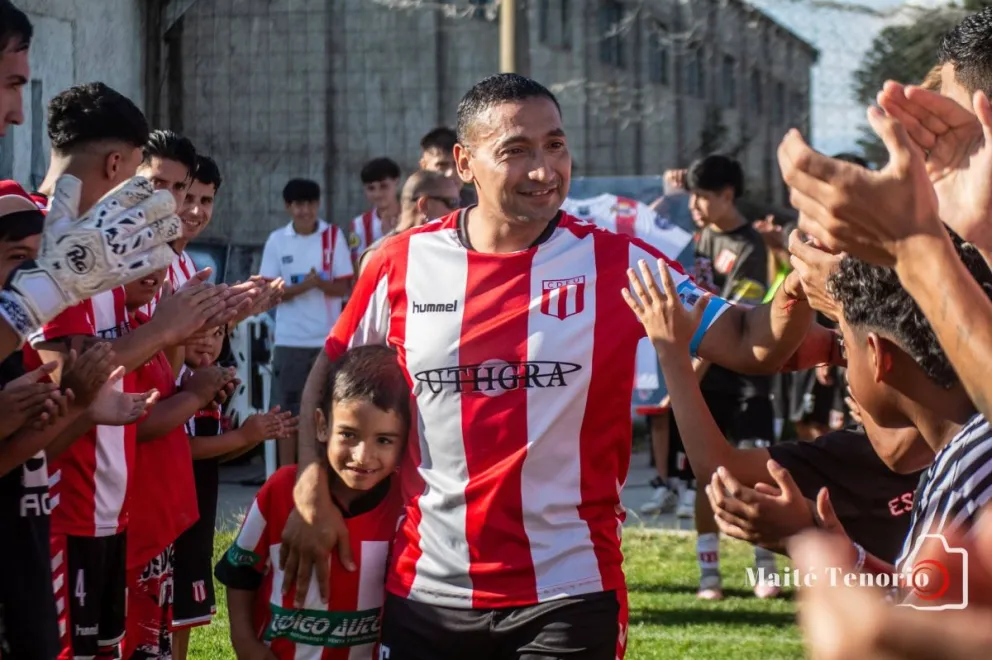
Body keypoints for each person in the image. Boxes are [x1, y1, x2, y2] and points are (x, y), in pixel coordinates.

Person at [283, 74, 837, 659]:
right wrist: (309, 483)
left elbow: (752, 340)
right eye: (516, 151)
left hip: (570, 594)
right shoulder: (400, 264)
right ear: (465, 164)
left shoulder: (618, 263)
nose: (545, 169)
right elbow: (332, 369)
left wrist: (800, 277)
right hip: (426, 593)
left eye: (555, 145)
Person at [0, 181, 156, 660]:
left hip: (26, 552)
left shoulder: (16, 353)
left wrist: (81, 405)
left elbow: (23, 454)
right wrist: (168, 326)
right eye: (14, 257)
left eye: (35, 260)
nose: (26, 275)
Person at [215, 345, 408, 660]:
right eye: (348, 435)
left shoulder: (406, 503)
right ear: (321, 425)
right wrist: (245, 643)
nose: (362, 456)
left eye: (384, 439)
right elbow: (239, 573)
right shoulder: (280, 491)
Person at [659, 154, 780, 599]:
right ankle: (708, 570)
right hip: (707, 378)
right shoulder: (695, 238)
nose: (694, 205)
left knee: (758, 472)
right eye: (690, 196)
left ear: (727, 195)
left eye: (703, 196)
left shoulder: (751, 247)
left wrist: (687, 375)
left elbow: (727, 319)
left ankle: (763, 567)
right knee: (705, 476)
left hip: (745, 375)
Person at [117, 267, 239, 659]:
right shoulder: (139, 344)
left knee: (164, 633)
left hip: (172, 522)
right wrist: (243, 434)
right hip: (139, 527)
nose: (152, 271)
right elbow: (150, 427)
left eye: (216, 332)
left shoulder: (143, 333)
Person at [171, 323, 296, 660]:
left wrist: (253, 435)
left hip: (197, 515)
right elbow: (176, 447)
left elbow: (212, 453)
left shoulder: (211, 384)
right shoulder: (173, 383)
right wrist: (242, 437)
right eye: (198, 331)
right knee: (166, 615)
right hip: (170, 518)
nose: (209, 342)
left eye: (218, 333)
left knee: (185, 616)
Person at [260, 178, 353, 467]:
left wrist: (318, 283)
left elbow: (344, 287)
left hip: (328, 340)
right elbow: (271, 293)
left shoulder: (333, 236)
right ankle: (288, 477)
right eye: (299, 204)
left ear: (318, 204)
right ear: (289, 207)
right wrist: (308, 284)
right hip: (290, 341)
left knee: (327, 412)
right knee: (288, 413)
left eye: (310, 203)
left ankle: (320, 475)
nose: (305, 210)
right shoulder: (277, 240)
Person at [357, 169, 461, 273]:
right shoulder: (379, 256)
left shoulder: (448, 249)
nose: (458, 210)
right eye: (452, 203)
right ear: (424, 205)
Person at [348, 157, 401, 264]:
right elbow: (356, 266)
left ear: (397, 182)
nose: (378, 194)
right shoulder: (359, 224)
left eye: (384, 186)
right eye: (371, 188)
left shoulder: (415, 217)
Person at [420, 126, 477, 207]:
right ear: (424, 166)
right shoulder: (413, 205)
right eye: (442, 165)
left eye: (457, 164)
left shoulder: (478, 204)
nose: (450, 173)